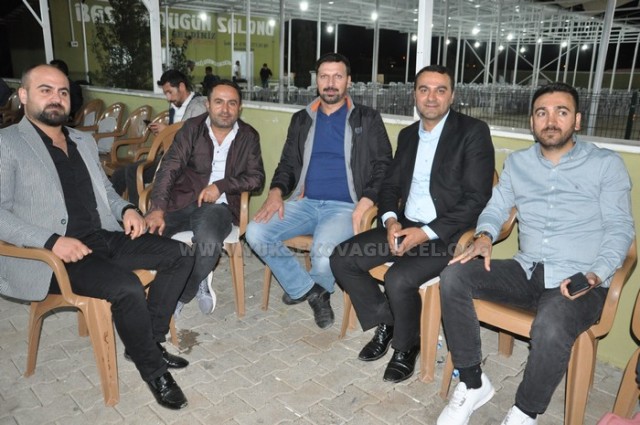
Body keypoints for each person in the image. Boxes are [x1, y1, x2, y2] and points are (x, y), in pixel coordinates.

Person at [436, 82, 634, 425]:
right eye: (542, 113)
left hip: (579, 279)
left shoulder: (605, 164)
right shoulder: (518, 163)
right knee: (454, 275)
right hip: (526, 270)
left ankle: (525, 412)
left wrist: (595, 275)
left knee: (552, 325)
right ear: (532, 122)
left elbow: (620, 229)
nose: (551, 120)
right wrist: (484, 236)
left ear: (577, 120)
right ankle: (472, 382)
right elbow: (496, 207)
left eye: (561, 112)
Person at [0, 64, 195, 410]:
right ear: (24, 95)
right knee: (127, 288)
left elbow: (105, 191)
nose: (57, 98)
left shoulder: (82, 140)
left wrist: (127, 210)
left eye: (63, 92)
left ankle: (146, 342)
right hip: (57, 256)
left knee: (181, 254)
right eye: (46, 90)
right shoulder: (7, 144)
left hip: (102, 236)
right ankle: (154, 371)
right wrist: (51, 240)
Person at [329, 65, 495, 382]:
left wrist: (425, 233)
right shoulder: (407, 136)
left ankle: (407, 346)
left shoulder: (472, 132)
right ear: (414, 95)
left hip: (447, 235)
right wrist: (390, 220)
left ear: (452, 96)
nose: (431, 97)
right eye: (424, 90)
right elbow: (390, 187)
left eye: (440, 90)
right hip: (405, 226)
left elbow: (477, 198)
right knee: (342, 258)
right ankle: (390, 321)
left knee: (398, 278)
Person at [245, 52, 393, 330]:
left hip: (345, 207)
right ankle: (311, 291)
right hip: (305, 202)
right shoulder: (302, 119)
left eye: (337, 76)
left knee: (323, 253)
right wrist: (276, 191)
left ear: (348, 81)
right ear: (317, 81)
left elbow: (384, 163)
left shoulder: (367, 118)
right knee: (255, 232)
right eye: (324, 76)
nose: (330, 83)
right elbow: (288, 163)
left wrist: (368, 199)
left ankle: (309, 288)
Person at [145, 80, 265, 316]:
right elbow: (169, 168)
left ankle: (182, 293)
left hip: (219, 208)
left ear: (240, 107)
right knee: (147, 236)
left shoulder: (248, 136)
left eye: (232, 103)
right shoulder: (192, 128)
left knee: (208, 244)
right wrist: (157, 207)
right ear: (208, 105)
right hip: (182, 200)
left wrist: (221, 186)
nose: (225, 109)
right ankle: (179, 280)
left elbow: (256, 178)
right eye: (219, 102)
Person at [110, 69, 207, 207]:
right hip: (168, 155)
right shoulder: (175, 106)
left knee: (133, 170)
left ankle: (138, 213)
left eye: (170, 92)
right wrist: (165, 133)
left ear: (181, 86)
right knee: (119, 173)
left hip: (183, 162)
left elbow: (191, 139)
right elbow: (178, 131)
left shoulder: (198, 107)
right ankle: (111, 209)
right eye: (166, 93)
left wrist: (167, 131)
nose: (168, 98)